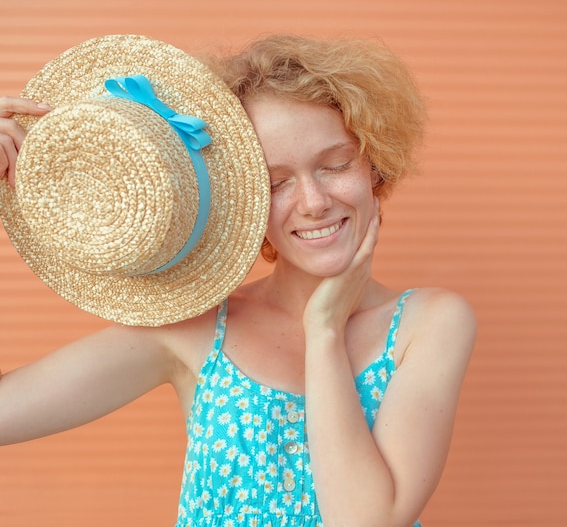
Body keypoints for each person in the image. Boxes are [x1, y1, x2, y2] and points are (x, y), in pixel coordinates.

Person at [0, 34, 475, 527]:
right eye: (276, 182)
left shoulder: (430, 322)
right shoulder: (193, 330)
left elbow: (366, 521)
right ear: (242, 200)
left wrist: (326, 330)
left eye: (335, 165)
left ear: (375, 164)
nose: (314, 201)